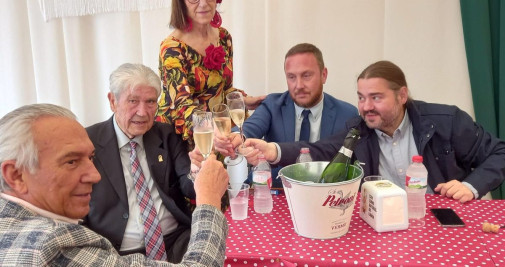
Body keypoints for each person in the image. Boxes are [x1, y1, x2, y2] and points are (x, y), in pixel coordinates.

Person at [241, 60, 505, 203]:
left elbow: (499, 153)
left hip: (439, 224)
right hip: (380, 225)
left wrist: (470, 186)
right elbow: (321, 150)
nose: (366, 107)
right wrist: (272, 150)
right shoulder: (358, 130)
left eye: (376, 97)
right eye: (361, 97)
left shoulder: (446, 120)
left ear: (402, 95)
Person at [0, 103, 229, 266]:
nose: (94, 175)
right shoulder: (54, 246)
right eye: (71, 162)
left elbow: (184, 182)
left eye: (150, 101)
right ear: (15, 175)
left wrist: (196, 174)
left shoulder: (165, 134)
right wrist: (208, 200)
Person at [84, 63, 195, 262]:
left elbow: (190, 187)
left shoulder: (166, 134)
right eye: (133, 101)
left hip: (176, 243)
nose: (142, 112)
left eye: (150, 102)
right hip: (116, 253)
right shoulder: (87, 142)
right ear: (112, 101)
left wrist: (197, 170)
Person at [214, 43, 357, 188]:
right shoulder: (273, 104)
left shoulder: (347, 114)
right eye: (291, 77)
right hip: (275, 191)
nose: (299, 85)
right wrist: (236, 137)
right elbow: (251, 127)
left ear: (323, 75)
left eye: (306, 75)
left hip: (325, 195)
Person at [155, 0, 265, 148]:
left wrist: (243, 99)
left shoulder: (224, 37)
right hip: (180, 137)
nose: (203, 4)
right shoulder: (172, 48)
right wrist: (211, 127)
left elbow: (223, 89)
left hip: (216, 128)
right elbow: (181, 104)